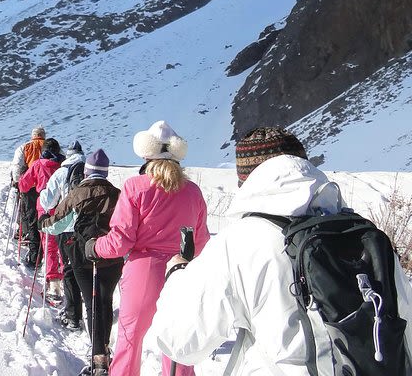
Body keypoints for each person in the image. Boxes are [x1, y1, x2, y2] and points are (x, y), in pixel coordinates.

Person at [152, 127, 412, 374]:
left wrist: (177, 274)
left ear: (247, 180)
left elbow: (180, 341)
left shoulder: (240, 241)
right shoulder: (365, 234)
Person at [86, 121, 209, 376]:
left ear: (146, 155)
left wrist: (96, 247)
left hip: (143, 270)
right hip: (182, 271)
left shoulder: (135, 186)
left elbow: (121, 241)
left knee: (130, 341)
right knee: (179, 346)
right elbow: (202, 242)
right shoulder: (193, 192)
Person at [42, 148, 123, 376]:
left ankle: (98, 359)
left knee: (91, 303)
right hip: (111, 257)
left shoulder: (77, 193)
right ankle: (104, 351)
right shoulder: (117, 194)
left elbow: (56, 224)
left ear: (87, 171)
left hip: (81, 256)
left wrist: (42, 223)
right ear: (105, 172)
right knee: (105, 301)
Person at [38, 140, 86, 329]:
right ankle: (90, 310)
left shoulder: (62, 172)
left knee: (69, 269)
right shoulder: (89, 169)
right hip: (89, 227)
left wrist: (42, 193)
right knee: (86, 268)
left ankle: (73, 315)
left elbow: (49, 203)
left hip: (67, 227)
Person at [19, 138, 65, 293]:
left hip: (44, 208)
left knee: (49, 245)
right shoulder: (63, 166)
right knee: (64, 243)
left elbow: (24, 185)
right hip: (64, 207)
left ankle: (53, 282)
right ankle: (67, 275)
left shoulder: (38, 164)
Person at [10, 126, 46, 263]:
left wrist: (17, 181)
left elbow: (17, 166)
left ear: (33, 136)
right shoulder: (50, 146)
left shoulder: (24, 147)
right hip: (46, 187)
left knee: (31, 217)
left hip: (29, 187)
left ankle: (34, 253)